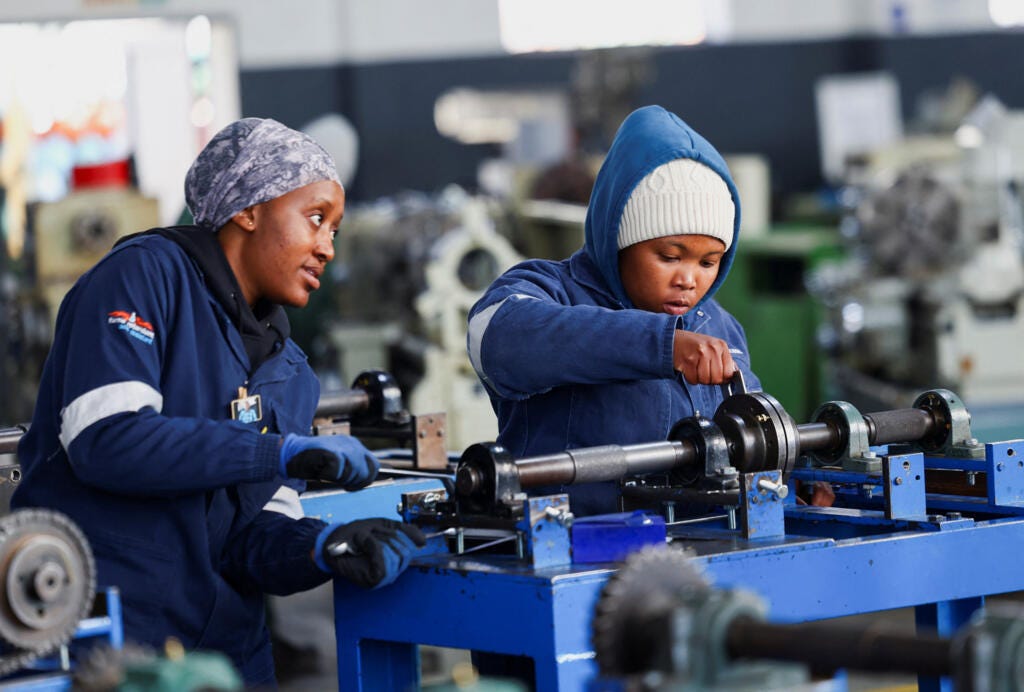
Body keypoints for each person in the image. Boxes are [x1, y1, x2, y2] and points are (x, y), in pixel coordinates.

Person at [12, 118, 425, 686]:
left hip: (229, 663)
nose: (328, 247)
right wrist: (273, 452)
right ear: (248, 210)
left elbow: (249, 542)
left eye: (334, 228)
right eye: (315, 219)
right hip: (106, 649)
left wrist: (323, 548)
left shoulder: (292, 374)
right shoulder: (141, 278)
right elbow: (105, 439)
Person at [467, 105, 762, 517]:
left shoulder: (719, 328)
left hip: (694, 551)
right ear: (618, 239)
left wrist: (792, 479)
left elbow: (756, 434)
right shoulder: (550, 292)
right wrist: (663, 345)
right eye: (669, 256)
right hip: (566, 550)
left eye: (708, 262)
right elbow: (495, 338)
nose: (688, 279)